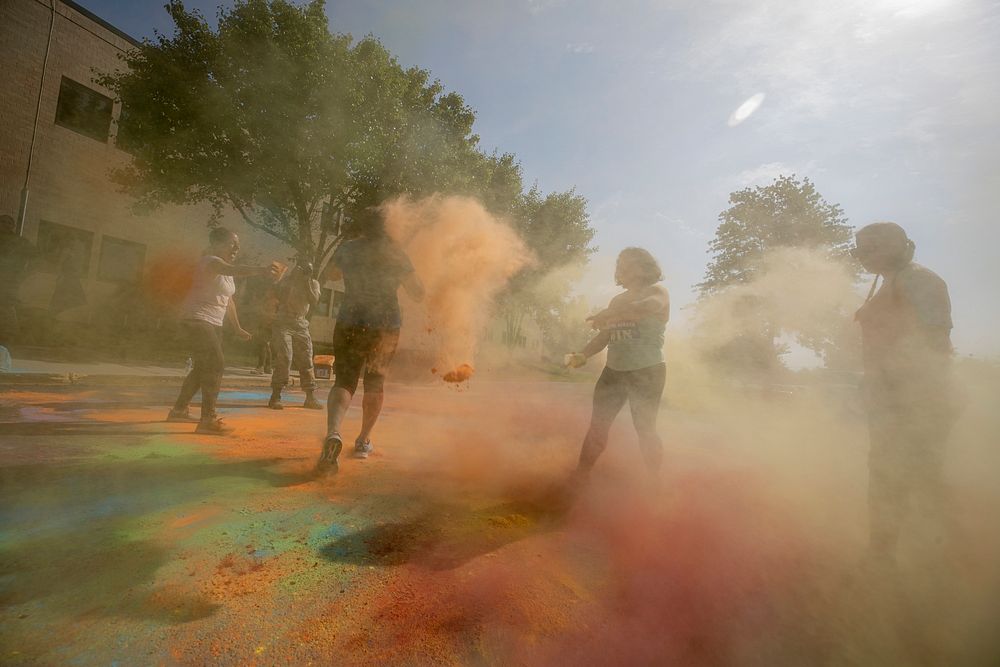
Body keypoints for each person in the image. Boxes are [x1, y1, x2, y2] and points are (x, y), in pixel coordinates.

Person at [852, 222, 956, 567]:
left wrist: (909, 397)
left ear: (900, 245)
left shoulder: (920, 280)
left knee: (916, 476)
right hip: (891, 398)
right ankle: (886, 554)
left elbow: (934, 344)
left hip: (915, 401)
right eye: (860, 249)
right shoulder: (890, 283)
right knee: (887, 474)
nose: (864, 255)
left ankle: (930, 562)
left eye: (872, 246)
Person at [317, 208, 424, 474]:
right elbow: (418, 293)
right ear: (388, 228)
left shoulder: (349, 248)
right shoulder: (396, 253)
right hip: (385, 326)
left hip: (350, 320)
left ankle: (334, 432)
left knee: (344, 380)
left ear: (362, 226)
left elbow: (328, 275)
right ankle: (363, 440)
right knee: (375, 383)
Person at [565, 247, 670, 484]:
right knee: (597, 428)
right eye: (620, 263)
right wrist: (582, 355)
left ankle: (655, 481)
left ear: (645, 267)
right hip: (613, 372)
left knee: (645, 429)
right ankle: (580, 476)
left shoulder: (658, 292)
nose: (622, 268)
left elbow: (646, 307)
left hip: (647, 371)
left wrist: (609, 313)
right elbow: (605, 336)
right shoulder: (617, 300)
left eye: (628, 263)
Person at [166, 227, 277, 434]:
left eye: (238, 245)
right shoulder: (211, 261)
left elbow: (229, 302)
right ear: (217, 244)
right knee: (216, 365)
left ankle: (179, 410)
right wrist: (262, 270)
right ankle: (208, 419)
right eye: (232, 243)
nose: (237, 247)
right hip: (197, 320)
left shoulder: (226, 272)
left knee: (201, 369)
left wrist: (237, 328)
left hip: (213, 323)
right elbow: (232, 269)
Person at [268, 258, 322, 410]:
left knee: (306, 360)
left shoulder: (313, 283)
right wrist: (292, 279)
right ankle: (276, 396)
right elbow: (280, 298)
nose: (306, 273)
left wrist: (306, 281)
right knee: (285, 357)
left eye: (309, 271)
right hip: (284, 322)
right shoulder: (287, 281)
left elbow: (314, 301)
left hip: (301, 324)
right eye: (303, 270)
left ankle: (310, 397)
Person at [0, 215, 34, 370]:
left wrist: (22, 274)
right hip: (8, 283)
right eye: (2, 222)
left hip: (8, 283)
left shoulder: (19, 242)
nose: (5, 225)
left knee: (7, 310)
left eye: (8, 223)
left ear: (12, 226)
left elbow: (34, 257)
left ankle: (7, 343)